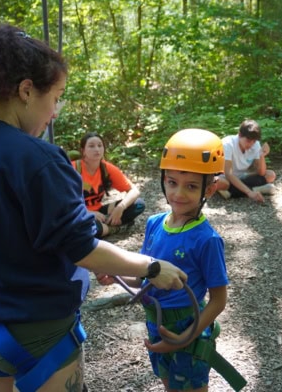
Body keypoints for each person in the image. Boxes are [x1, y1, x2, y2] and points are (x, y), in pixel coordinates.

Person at [0, 24, 186, 392]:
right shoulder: (36, 158)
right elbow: (81, 247)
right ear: (25, 90)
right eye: (55, 98)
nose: (54, 112)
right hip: (35, 332)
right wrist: (151, 267)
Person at [97, 128, 243, 392]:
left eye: (191, 186)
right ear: (163, 180)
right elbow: (146, 276)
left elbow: (219, 300)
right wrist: (116, 275)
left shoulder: (206, 239)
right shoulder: (154, 224)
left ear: (209, 189)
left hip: (187, 327)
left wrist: (186, 336)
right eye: (172, 182)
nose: (178, 193)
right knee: (169, 383)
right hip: (156, 323)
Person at [73, 132, 146, 238]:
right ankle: (112, 228)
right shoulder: (73, 168)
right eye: (91, 146)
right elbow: (61, 200)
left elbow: (134, 191)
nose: (97, 149)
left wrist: (120, 208)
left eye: (100, 145)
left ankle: (104, 227)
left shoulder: (106, 168)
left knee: (139, 205)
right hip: (78, 213)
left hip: (100, 212)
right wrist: (87, 213)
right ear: (83, 151)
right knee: (81, 228)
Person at [216, 119, 277, 203]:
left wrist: (262, 156)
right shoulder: (227, 144)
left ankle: (231, 191)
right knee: (218, 182)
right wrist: (249, 193)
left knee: (270, 175)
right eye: (248, 140)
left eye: (254, 141)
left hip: (242, 176)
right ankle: (255, 189)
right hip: (226, 177)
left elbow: (261, 173)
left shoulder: (255, 145)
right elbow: (228, 174)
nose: (251, 144)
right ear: (240, 135)